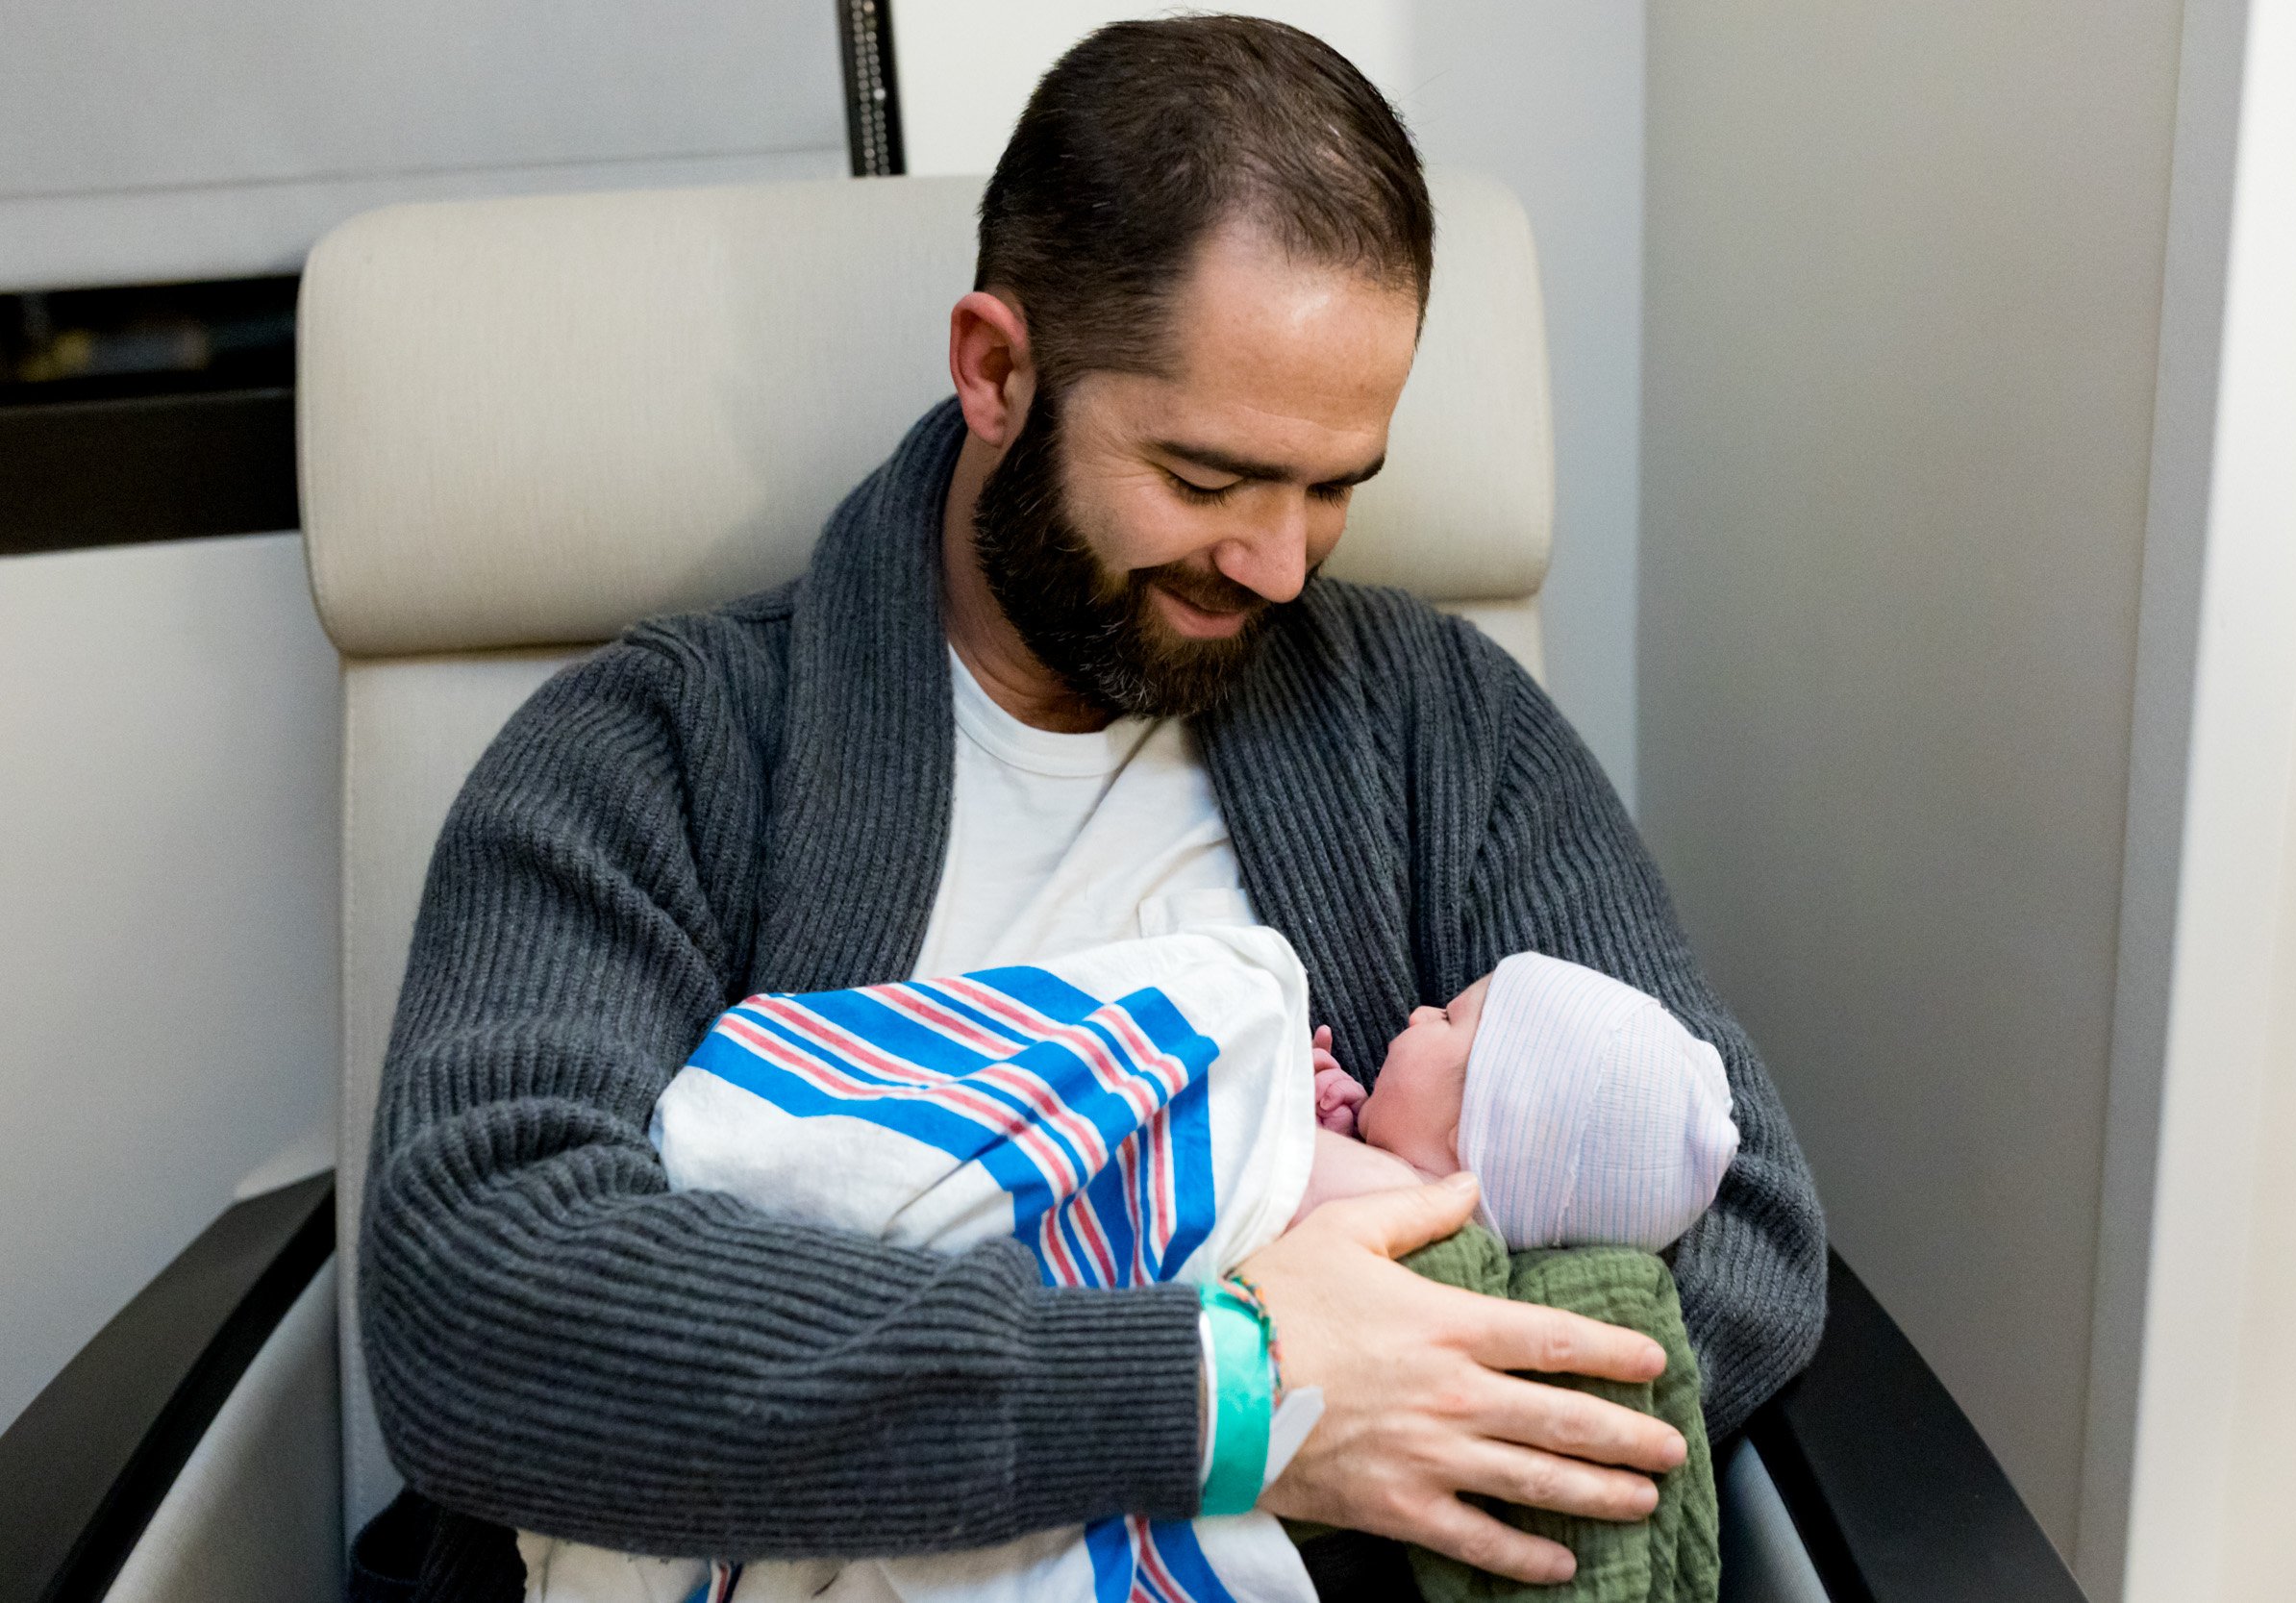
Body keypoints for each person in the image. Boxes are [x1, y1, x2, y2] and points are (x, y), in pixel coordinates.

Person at [358, 17, 1826, 1603]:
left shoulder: (1440, 730)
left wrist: (1359, 1443)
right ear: (997, 368)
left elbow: (1733, 1210)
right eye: (1207, 481)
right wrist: (1222, 1391)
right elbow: (479, 1296)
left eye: (1335, 484)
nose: (1280, 562)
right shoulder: (654, 758)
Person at [516, 924, 1742, 1603]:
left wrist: (1289, 1131)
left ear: (1490, 1129)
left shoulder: (1416, 1214)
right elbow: (494, 1271)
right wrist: (1212, 1383)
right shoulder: (682, 724)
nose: (1419, 1014)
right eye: (1203, 478)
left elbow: (1763, 1239)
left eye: (1456, 1025)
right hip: (841, 1361)